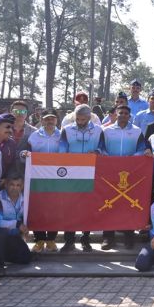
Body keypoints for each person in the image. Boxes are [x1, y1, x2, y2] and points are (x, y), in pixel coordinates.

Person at [101, 105, 150, 250]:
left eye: (125, 113)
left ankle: (129, 237)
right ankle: (108, 237)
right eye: (120, 113)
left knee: (128, 205)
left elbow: (141, 149)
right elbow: (101, 148)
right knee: (109, 204)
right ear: (115, 114)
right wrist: (108, 158)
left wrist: (131, 159)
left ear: (130, 116)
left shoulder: (136, 131)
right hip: (110, 172)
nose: (122, 115)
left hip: (130, 173)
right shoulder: (106, 130)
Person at [58, 104, 104, 252]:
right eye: (77, 119)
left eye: (83, 119)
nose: (80, 121)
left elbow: (103, 148)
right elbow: (61, 149)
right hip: (72, 173)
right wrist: (67, 157)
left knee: (88, 207)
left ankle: (86, 239)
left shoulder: (98, 130)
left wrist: (97, 151)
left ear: (89, 117)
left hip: (91, 173)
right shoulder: (67, 130)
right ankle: (69, 240)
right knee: (69, 207)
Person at [21, 108, 61, 252]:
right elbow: (27, 152)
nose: (50, 121)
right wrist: (25, 154)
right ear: (41, 120)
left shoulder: (63, 136)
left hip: (57, 179)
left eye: (52, 118)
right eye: (47, 118)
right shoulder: (34, 136)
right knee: (38, 208)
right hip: (37, 178)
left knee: (55, 209)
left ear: (57, 120)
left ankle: (51, 239)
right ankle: (39, 240)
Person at [0, 174, 31, 277]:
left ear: (22, 186)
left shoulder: (25, 199)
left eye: (18, 185)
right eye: (12, 185)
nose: (15, 188)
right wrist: (17, 224)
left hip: (13, 236)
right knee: (0, 232)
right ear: (6, 185)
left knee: (26, 258)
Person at [0, 113, 18, 178]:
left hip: (4, 184)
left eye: (12, 128)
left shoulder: (12, 143)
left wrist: (6, 179)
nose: (10, 130)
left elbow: (13, 166)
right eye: (7, 127)